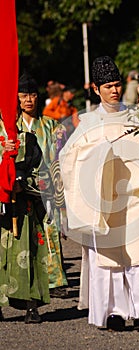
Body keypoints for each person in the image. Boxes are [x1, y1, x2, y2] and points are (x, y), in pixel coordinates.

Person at [59, 56, 139, 331]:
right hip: (103, 199)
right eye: (107, 86)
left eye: (117, 85)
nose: (114, 90)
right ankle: (114, 311)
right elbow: (69, 157)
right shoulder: (88, 122)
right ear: (96, 89)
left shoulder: (135, 117)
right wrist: (98, 157)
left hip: (133, 195)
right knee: (109, 259)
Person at [0, 73, 67, 323]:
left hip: (42, 190)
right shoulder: (6, 127)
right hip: (10, 192)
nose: (28, 99)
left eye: (32, 94)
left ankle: (47, 287)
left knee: (39, 244)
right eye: (23, 95)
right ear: (15, 98)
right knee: (5, 249)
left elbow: (59, 160)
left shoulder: (51, 126)